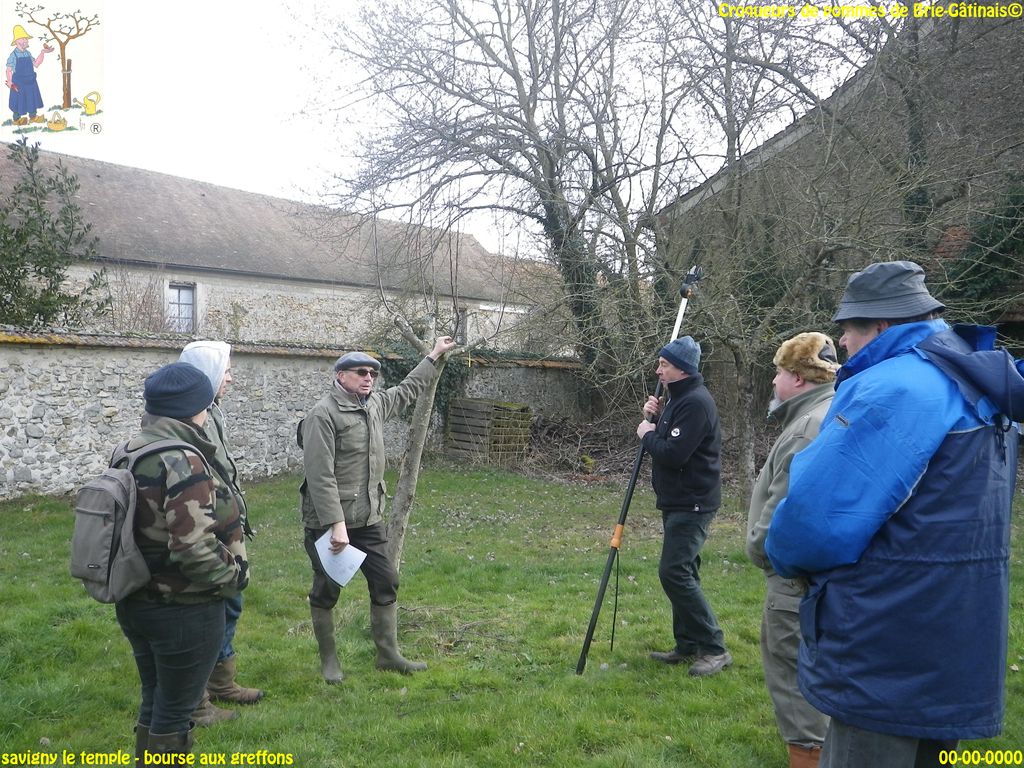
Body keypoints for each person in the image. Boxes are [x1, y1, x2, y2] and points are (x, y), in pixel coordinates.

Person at [765, 261, 1023, 768]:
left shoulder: (898, 388)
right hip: (956, 633)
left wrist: (780, 555)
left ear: (881, 324)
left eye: (847, 328)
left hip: (885, 642)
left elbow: (812, 525)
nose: (841, 342)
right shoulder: (974, 381)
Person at [300, 336, 457, 682]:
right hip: (330, 522)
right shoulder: (322, 415)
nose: (369, 378)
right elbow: (320, 476)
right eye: (361, 372)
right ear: (340, 376)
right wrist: (336, 525)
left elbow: (408, 389)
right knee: (328, 589)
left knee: (386, 580)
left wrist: (433, 355)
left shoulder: (374, 405)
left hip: (368, 518)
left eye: (372, 373)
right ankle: (329, 662)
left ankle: (388, 655)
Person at [116, 362, 249, 759]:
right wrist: (234, 577)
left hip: (136, 597)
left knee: (156, 700)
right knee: (175, 712)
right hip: (183, 607)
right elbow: (193, 547)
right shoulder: (182, 460)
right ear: (196, 408)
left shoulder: (129, 450)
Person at [746, 332, 838, 768]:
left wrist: (761, 549)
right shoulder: (828, 412)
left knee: (795, 690)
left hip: (792, 582)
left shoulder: (806, 429)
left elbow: (786, 511)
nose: (773, 380)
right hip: (816, 579)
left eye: (780, 371)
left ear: (799, 377)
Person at [636, 335, 731, 677]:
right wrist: (654, 418)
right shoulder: (678, 399)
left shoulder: (695, 403)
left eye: (664, 365)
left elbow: (674, 455)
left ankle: (714, 648)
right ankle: (688, 643)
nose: (658, 370)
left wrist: (646, 433)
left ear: (683, 369)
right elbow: (671, 440)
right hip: (677, 500)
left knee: (674, 572)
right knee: (684, 571)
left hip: (693, 502)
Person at [179, 340, 263, 725]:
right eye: (225, 370)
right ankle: (195, 700)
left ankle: (221, 683)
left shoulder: (211, 413)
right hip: (202, 529)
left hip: (223, 527)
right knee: (202, 616)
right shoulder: (186, 420)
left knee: (229, 605)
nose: (230, 378)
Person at [6, 25, 52, 126]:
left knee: (32, 99)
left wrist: (43, 53)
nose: (26, 40)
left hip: (30, 82)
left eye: (26, 38)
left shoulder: (28, 53)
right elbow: (9, 70)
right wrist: (10, 82)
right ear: (17, 41)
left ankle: (33, 117)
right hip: (19, 83)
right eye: (23, 38)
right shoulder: (13, 55)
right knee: (18, 101)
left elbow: (36, 64)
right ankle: (16, 120)